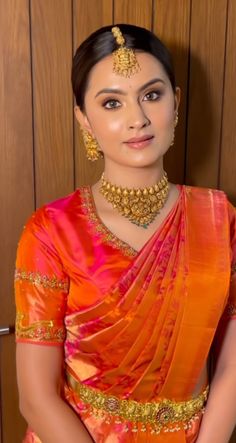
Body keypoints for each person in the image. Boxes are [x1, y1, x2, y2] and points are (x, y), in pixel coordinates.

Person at [15, 24, 236, 443]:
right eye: (112, 102)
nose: (137, 119)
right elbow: (36, 398)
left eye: (152, 95)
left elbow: (233, 367)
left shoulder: (219, 218)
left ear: (176, 102)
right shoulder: (52, 230)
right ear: (83, 117)